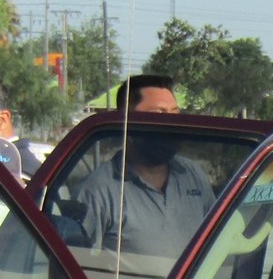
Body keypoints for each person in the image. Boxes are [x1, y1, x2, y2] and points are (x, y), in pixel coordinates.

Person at [74, 74, 213, 260]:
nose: (172, 125)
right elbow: (72, 267)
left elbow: (218, 241)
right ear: (126, 121)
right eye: (160, 114)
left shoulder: (192, 175)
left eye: (175, 114)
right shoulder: (99, 190)